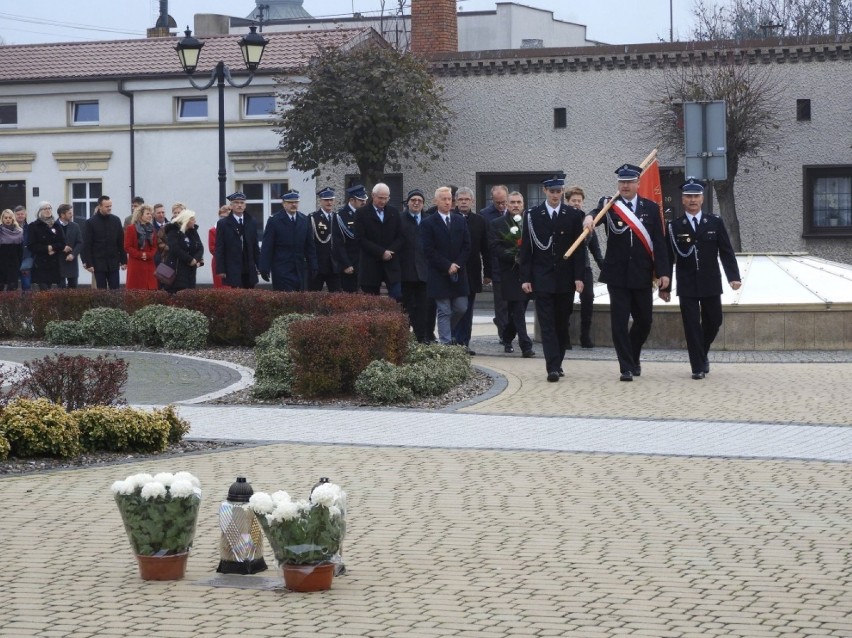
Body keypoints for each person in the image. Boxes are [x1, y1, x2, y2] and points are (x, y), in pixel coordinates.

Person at [583, 164, 671, 382]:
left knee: (645, 321)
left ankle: (633, 355)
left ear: (638, 184)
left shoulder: (650, 208)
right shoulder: (610, 206)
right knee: (619, 322)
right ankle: (626, 367)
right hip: (617, 275)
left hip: (642, 275)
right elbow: (596, 215)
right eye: (622, 182)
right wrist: (588, 217)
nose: (625, 185)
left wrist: (664, 273)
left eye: (630, 182)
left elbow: (659, 243)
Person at [661, 178, 742, 380]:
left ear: (702, 199)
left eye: (696, 196)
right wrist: (665, 286)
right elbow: (668, 257)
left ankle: (701, 351)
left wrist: (733, 276)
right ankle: (697, 366)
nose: (692, 200)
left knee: (714, 320)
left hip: (710, 281)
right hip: (687, 282)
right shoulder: (674, 226)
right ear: (683, 199)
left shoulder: (714, 222)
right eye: (689, 196)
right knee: (691, 325)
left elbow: (726, 251)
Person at [520, 175, 585, 382]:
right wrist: (525, 277)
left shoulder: (573, 215)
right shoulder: (532, 215)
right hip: (542, 278)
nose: (555, 195)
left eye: (558, 191)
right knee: (547, 324)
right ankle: (553, 367)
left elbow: (579, 251)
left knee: (561, 323)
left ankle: (558, 361)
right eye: (552, 191)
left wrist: (579, 277)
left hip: (565, 279)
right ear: (545, 191)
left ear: (562, 192)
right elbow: (527, 250)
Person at [421, 186, 471, 345]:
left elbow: (467, 246)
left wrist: (457, 264)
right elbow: (428, 250)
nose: (447, 202)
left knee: (461, 308)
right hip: (439, 274)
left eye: (449, 199)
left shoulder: (460, 220)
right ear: (436, 201)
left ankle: (446, 332)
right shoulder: (428, 223)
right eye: (444, 199)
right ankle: (446, 344)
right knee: (444, 310)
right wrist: (446, 265)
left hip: (458, 273)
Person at [489, 191, 535, 357]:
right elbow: (494, 247)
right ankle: (526, 345)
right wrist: (513, 256)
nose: (515, 205)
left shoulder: (531, 222)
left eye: (518, 202)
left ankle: (507, 336)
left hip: (528, 273)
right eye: (512, 202)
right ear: (507, 205)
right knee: (517, 307)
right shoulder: (497, 223)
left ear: (523, 205)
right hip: (509, 273)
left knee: (518, 309)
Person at [452, 187, 491, 355]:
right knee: (455, 307)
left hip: (473, 270)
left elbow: (486, 249)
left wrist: (488, 272)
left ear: (472, 201)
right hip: (453, 270)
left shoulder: (479, 221)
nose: (463, 202)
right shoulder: (450, 219)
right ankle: (452, 340)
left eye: (466, 199)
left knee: (468, 309)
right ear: (455, 201)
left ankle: (464, 342)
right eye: (460, 199)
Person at [565, 186, 604, 349]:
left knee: (588, 298)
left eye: (579, 201)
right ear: (567, 202)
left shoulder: (587, 221)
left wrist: (605, 268)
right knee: (565, 301)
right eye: (573, 201)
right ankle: (564, 336)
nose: (576, 204)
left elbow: (595, 249)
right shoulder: (563, 218)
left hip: (584, 266)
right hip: (566, 267)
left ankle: (585, 335)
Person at [259, 190, 316, 292]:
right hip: (281, 268)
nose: (293, 205)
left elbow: (309, 246)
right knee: (285, 300)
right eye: (290, 202)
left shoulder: (304, 220)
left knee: (300, 300)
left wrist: (313, 264)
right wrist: (264, 268)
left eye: (296, 202)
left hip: (299, 268)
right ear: (284, 204)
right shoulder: (274, 220)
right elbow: (267, 246)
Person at [354, 183, 403, 300]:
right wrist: (381, 252)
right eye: (380, 198)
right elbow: (360, 239)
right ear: (373, 196)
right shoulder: (362, 213)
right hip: (370, 264)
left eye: (386, 198)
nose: (383, 201)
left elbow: (401, 237)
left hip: (391, 263)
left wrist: (390, 251)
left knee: (398, 298)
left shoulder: (394, 212)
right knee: (371, 302)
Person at [479, 185, 510, 344]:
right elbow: (484, 245)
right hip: (496, 265)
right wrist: (488, 272)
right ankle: (503, 335)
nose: (501, 206)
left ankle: (506, 326)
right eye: (498, 203)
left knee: (514, 303)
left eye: (503, 202)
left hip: (514, 266)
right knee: (501, 303)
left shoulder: (515, 213)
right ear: (492, 200)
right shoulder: (484, 215)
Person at [399, 189, 430, 343]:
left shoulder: (428, 219)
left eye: (419, 200)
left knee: (423, 307)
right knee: (405, 307)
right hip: (405, 272)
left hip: (424, 273)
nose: (416, 203)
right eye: (413, 200)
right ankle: (404, 336)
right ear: (408, 203)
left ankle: (421, 336)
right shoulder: (400, 219)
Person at [215, 192, 260, 289]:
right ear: (231, 205)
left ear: (245, 205)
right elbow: (219, 247)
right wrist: (221, 269)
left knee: (249, 295)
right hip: (232, 265)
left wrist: (259, 265)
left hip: (249, 265)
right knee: (236, 294)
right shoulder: (223, 224)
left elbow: (255, 246)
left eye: (242, 202)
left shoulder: (252, 221)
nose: (239, 205)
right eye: (236, 202)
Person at [82, 195, 126, 289]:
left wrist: (124, 260)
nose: (109, 208)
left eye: (110, 206)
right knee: (101, 291)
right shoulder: (90, 222)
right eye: (107, 206)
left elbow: (121, 241)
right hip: (98, 263)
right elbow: (87, 244)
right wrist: (88, 263)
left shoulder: (116, 220)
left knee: (115, 290)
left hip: (113, 262)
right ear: (100, 206)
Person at [332, 184, 368, 293]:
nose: (364, 203)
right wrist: (346, 264)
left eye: (365, 200)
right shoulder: (341, 216)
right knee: (350, 298)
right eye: (361, 200)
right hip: (350, 265)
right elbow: (338, 244)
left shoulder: (366, 213)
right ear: (352, 200)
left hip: (364, 264)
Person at [160, 209, 204, 293]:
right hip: (174, 268)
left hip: (190, 269)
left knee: (189, 293)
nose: (195, 221)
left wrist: (195, 259)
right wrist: (189, 259)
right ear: (187, 220)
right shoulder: (173, 231)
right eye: (193, 219)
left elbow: (200, 247)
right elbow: (174, 248)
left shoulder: (193, 231)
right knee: (174, 293)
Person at [308, 187, 341, 292]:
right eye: (326, 200)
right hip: (318, 264)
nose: (329, 202)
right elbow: (310, 243)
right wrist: (312, 263)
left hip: (334, 265)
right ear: (321, 201)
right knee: (313, 297)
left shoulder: (338, 217)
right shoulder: (313, 218)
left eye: (331, 199)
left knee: (337, 298)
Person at [28, 202, 64, 291]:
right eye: (45, 209)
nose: (48, 210)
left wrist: (52, 247)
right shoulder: (34, 226)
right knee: (43, 289)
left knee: (49, 288)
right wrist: (47, 248)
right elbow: (31, 245)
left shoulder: (56, 225)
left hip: (53, 261)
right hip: (40, 262)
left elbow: (62, 243)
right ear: (39, 211)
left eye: (49, 208)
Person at [124, 204, 158, 290]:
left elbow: (154, 247)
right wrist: (140, 255)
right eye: (147, 213)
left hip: (149, 263)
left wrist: (148, 255)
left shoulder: (152, 229)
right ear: (140, 215)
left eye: (151, 214)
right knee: (136, 289)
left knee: (150, 289)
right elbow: (127, 246)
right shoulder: (131, 229)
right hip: (136, 263)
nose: (150, 215)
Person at [56, 203, 82, 289]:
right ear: (62, 215)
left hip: (72, 261)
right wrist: (62, 248)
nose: (72, 215)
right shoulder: (53, 226)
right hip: (58, 261)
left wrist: (73, 254)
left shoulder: (75, 226)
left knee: (73, 287)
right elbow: (51, 243)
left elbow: (80, 243)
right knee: (61, 288)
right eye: (69, 213)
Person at [0, 209, 23, 291]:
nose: (8, 220)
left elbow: (20, 251)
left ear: (13, 219)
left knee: (12, 288)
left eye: (10, 217)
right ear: (2, 219)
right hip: (1, 263)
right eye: (5, 218)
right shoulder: (0, 231)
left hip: (14, 263)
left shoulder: (19, 232)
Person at [209, 205, 231, 288]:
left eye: (225, 217)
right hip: (219, 262)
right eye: (221, 217)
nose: (223, 219)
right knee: (221, 288)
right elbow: (212, 248)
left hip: (233, 262)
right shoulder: (213, 230)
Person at [15, 206, 32, 291]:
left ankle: (26, 303)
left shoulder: (30, 229)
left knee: (26, 284)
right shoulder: (10, 229)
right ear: (14, 215)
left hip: (26, 258)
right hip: (14, 258)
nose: (20, 216)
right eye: (18, 214)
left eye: (22, 214)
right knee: (13, 284)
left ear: (25, 215)